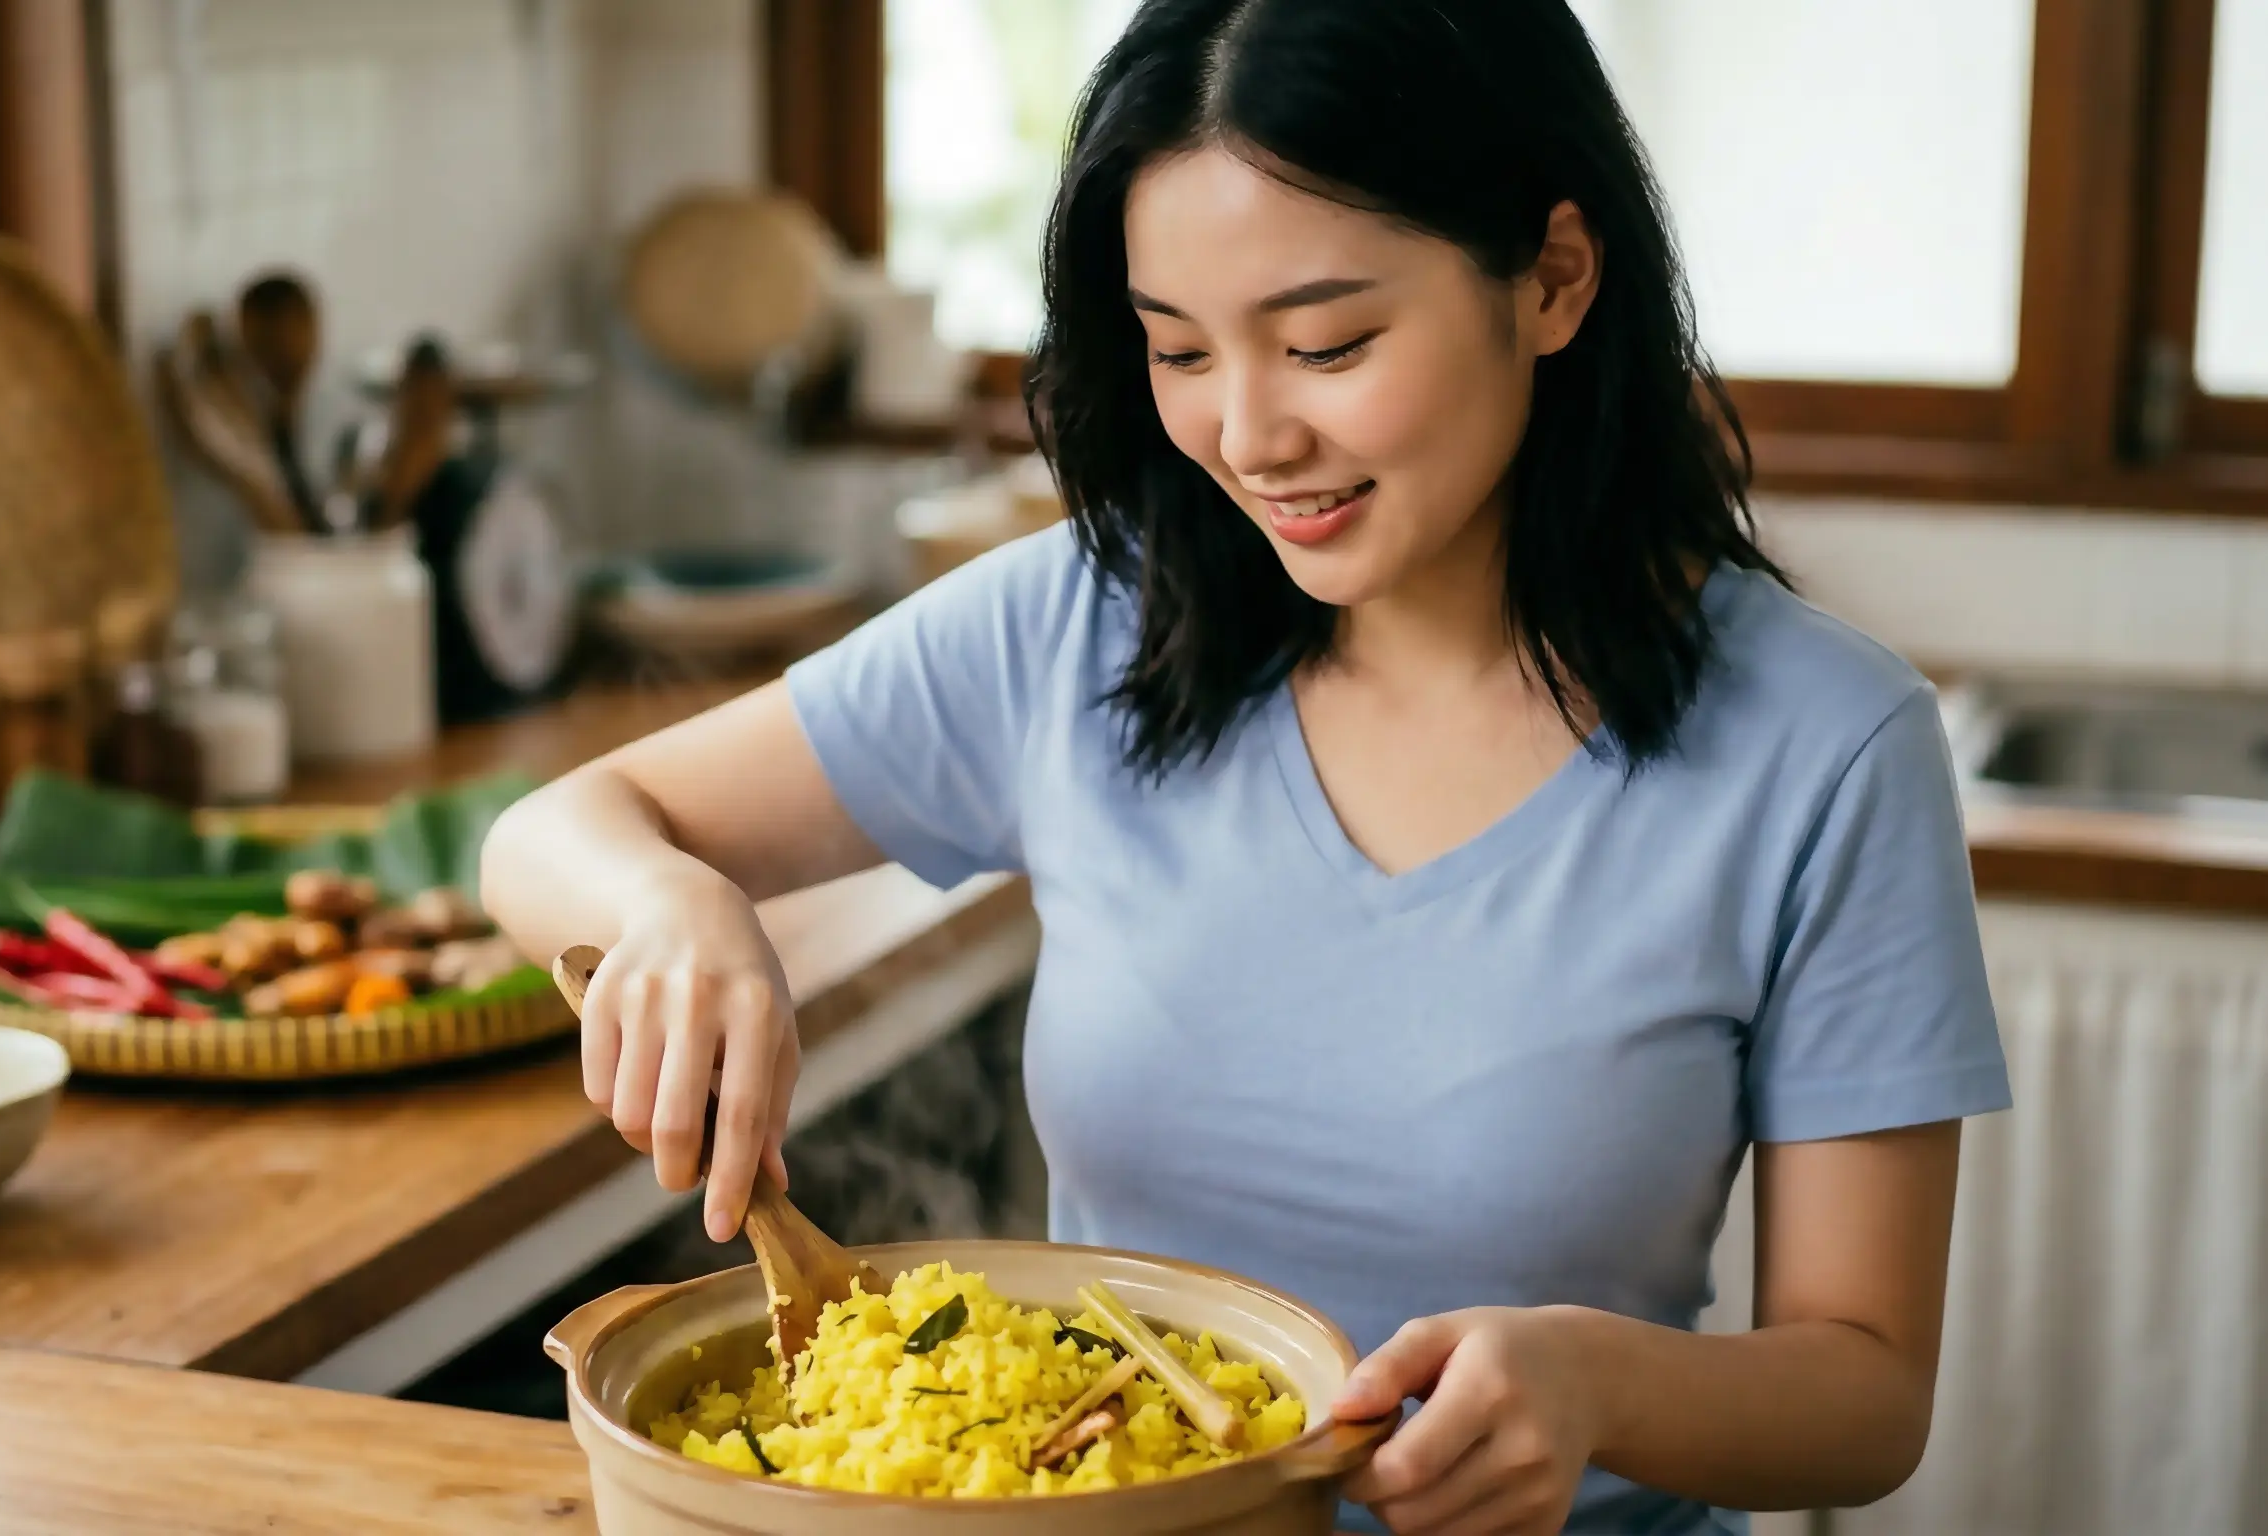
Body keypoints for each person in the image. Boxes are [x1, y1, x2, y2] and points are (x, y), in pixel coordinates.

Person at [481, 1, 2012, 1530]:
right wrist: (671, 903)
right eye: (1177, 351)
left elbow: (1862, 1393)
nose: (1248, 433)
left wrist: (1595, 1383)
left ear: (1551, 279)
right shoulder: (1081, 629)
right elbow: (554, 833)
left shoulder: (1825, 744)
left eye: (1326, 344)